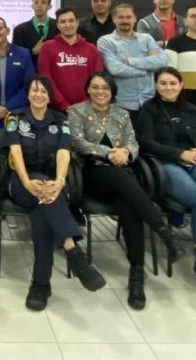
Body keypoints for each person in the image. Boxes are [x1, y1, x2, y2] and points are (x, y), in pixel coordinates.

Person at [67, 71, 182, 310]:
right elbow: (78, 142)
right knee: (122, 179)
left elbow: (133, 142)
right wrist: (109, 152)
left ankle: (136, 274)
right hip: (91, 174)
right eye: (95, 87)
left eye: (105, 88)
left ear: (112, 91)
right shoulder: (76, 111)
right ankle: (162, 230)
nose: (100, 92)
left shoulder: (122, 113)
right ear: (88, 89)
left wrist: (127, 152)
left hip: (122, 177)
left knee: (129, 204)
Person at [0, 75, 107, 311]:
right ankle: (72, 251)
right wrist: (27, 182)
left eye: (43, 91)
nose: (38, 94)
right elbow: (15, 152)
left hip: (53, 183)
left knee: (43, 212)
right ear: (28, 94)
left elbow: (63, 154)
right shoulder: (15, 118)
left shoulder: (61, 121)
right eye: (34, 90)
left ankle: (41, 284)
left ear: (49, 97)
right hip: (20, 181)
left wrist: (58, 182)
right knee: (46, 200)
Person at [135, 67, 196, 302]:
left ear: (181, 85)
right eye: (163, 83)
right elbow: (145, 143)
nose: (168, 87)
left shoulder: (192, 110)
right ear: (156, 85)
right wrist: (179, 154)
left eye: (173, 83)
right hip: (167, 164)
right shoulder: (149, 110)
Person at [97, 3, 167, 119]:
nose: (125, 21)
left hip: (150, 101)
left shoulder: (146, 38)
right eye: (120, 17)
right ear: (114, 19)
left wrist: (130, 61)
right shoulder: (106, 41)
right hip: (122, 104)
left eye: (128, 17)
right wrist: (146, 69)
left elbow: (161, 61)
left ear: (135, 19)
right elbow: (115, 69)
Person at [36, 7, 103, 112]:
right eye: (63, 22)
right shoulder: (47, 48)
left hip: (87, 109)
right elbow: (46, 78)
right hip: (56, 111)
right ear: (57, 25)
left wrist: (85, 105)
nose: (67, 25)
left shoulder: (92, 49)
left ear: (77, 23)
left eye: (71, 21)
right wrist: (63, 105)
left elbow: (98, 80)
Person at [12, 0, 57, 64]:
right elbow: (16, 57)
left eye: (43, 2)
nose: (39, 5)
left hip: (54, 69)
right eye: (36, 2)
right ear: (32, 6)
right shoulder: (19, 30)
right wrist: (33, 52)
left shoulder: (59, 26)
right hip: (31, 70)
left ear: (49, 6)